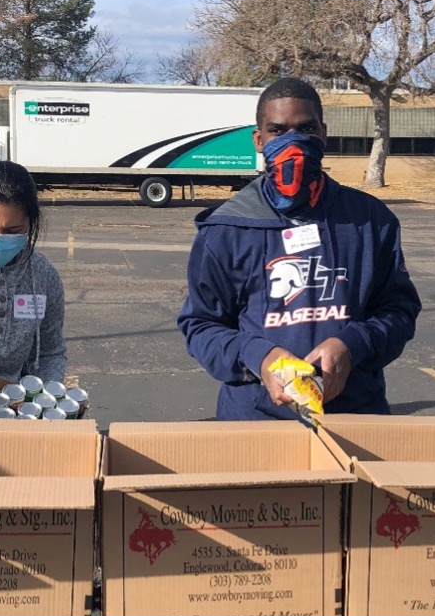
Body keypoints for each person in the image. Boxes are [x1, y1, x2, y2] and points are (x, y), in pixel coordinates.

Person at [178, 77, 421, 420]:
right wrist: (259, 357)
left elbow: (399, 311)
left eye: (305, 129)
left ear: (322, 134)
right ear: (259, 140)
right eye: (278, 131)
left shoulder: (370, 221)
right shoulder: (226, 229)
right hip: (254, 423)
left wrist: (352, 345)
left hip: (355, 418)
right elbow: (201, 326)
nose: (293, 142)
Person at [0, 160, 66, 382]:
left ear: (28, 224)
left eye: (12, 230)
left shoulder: (43, 276)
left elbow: (50, 353)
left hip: (14, 397)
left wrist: (46, 397)